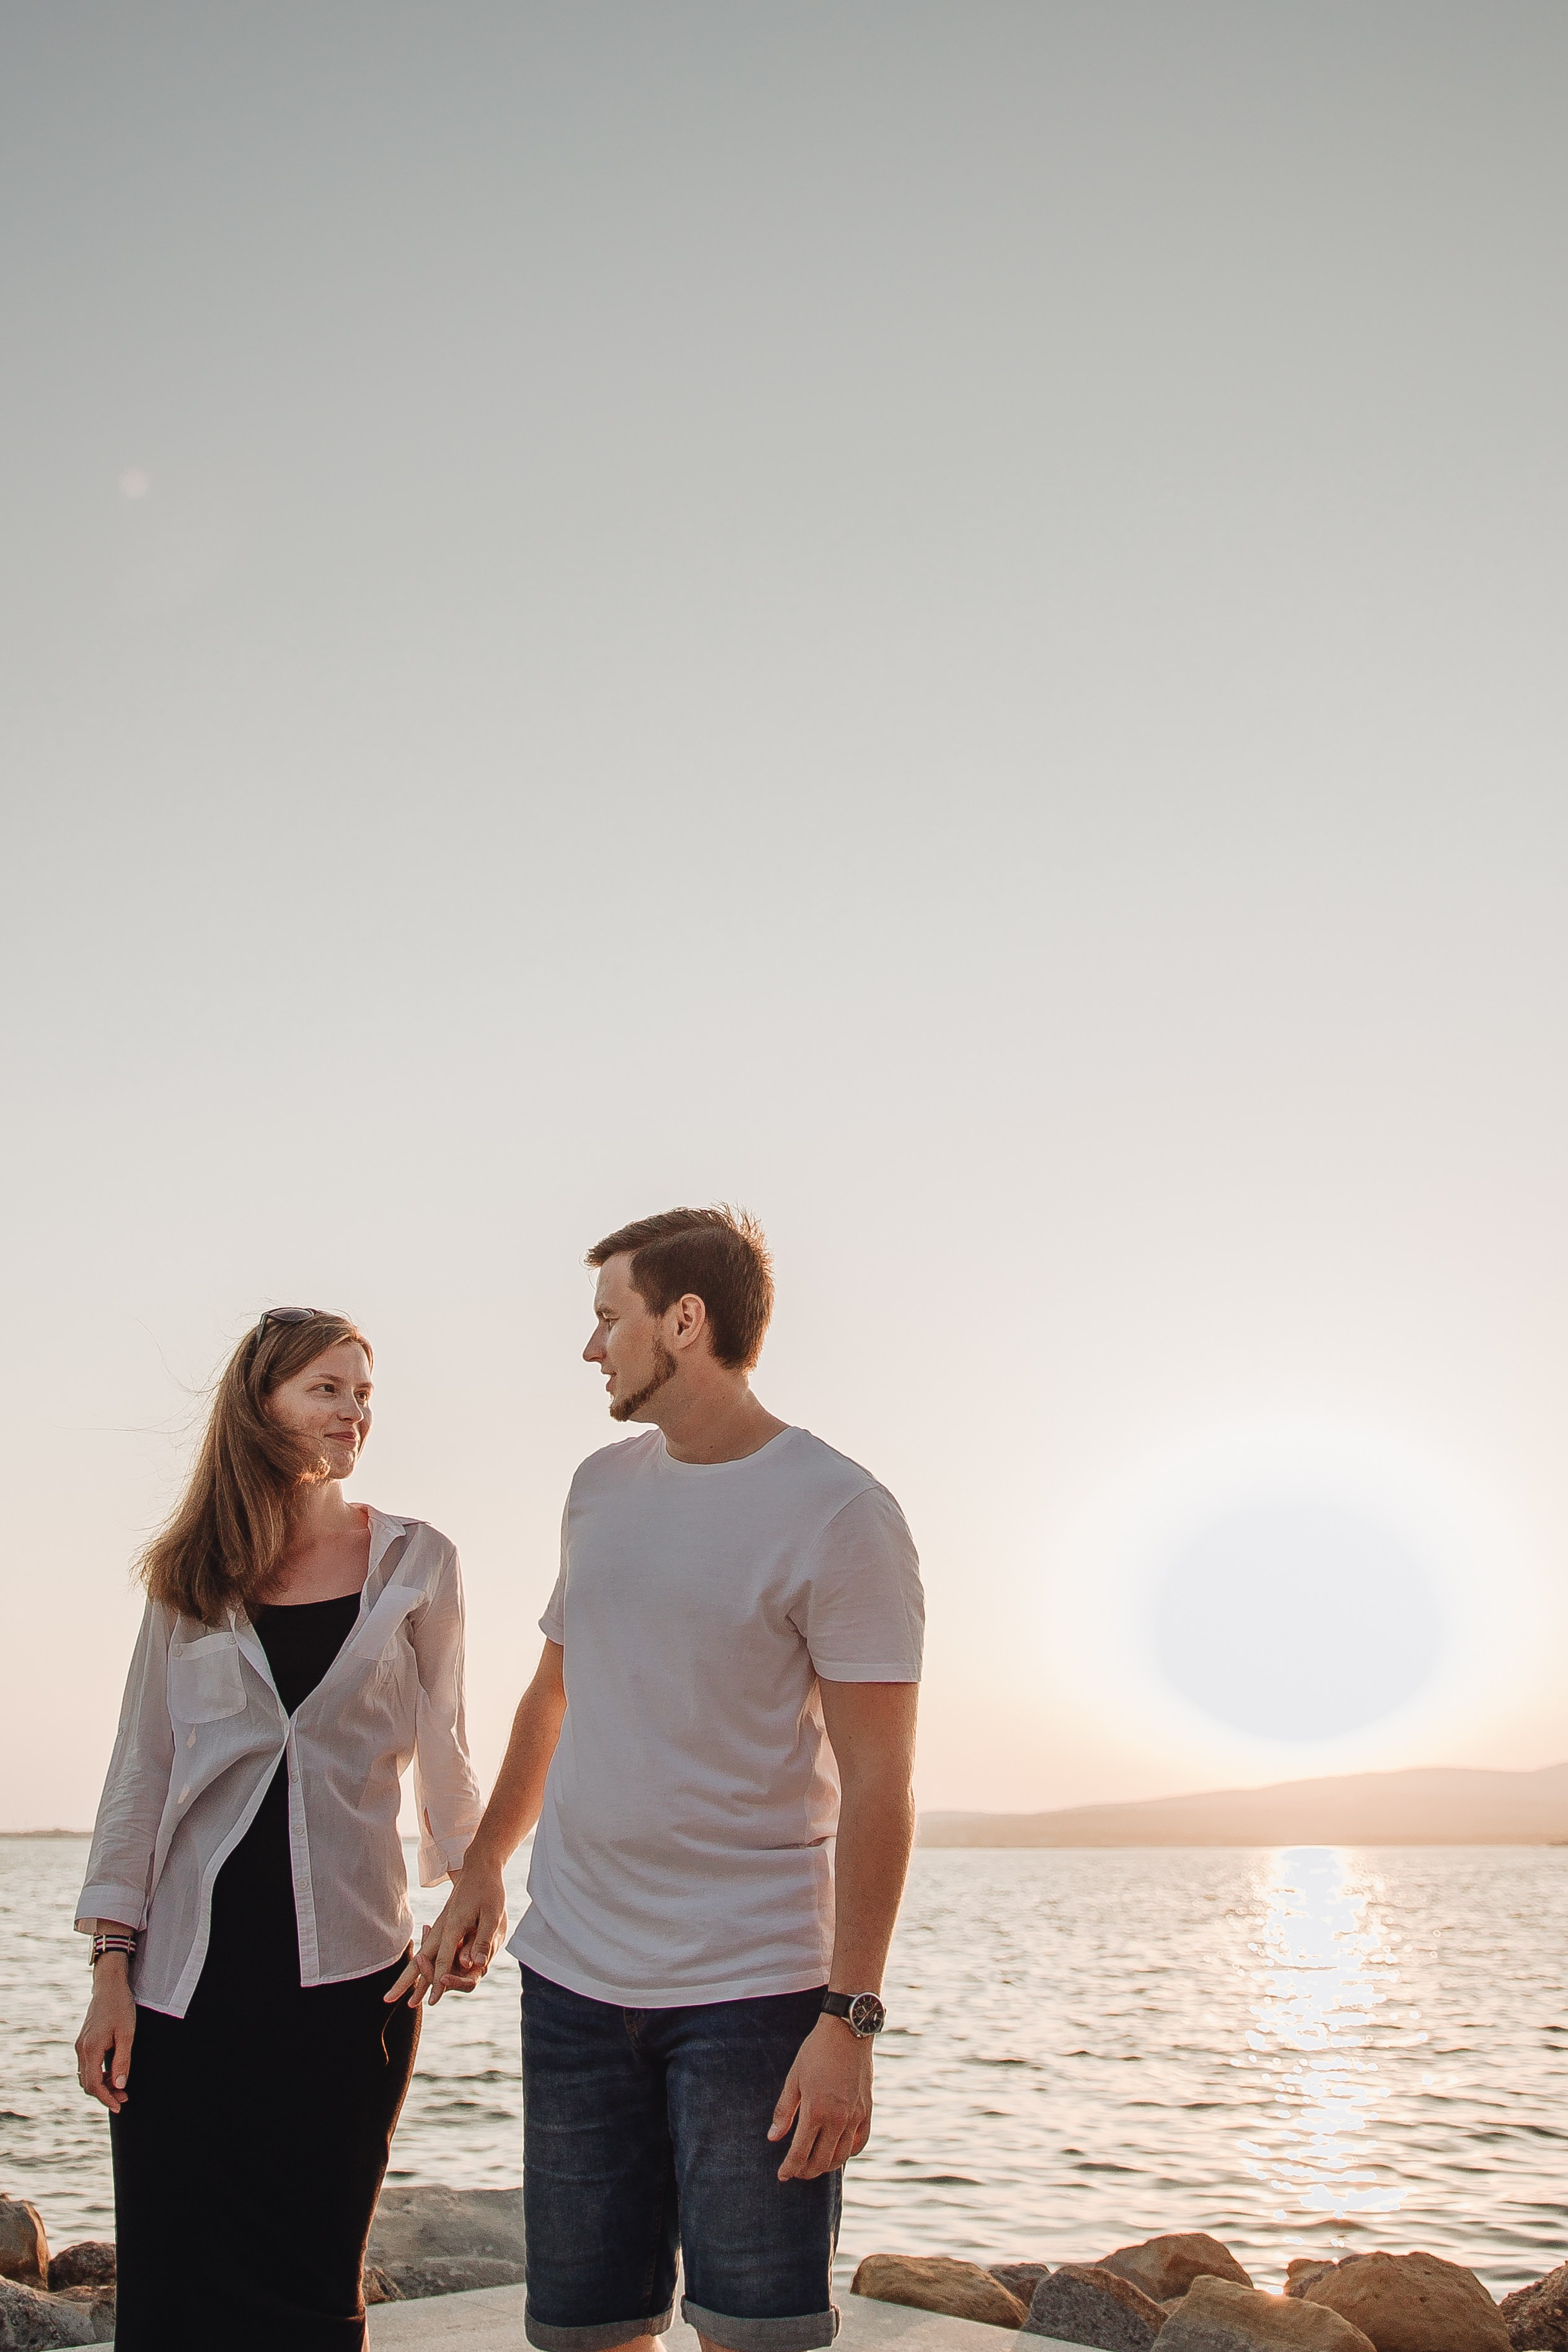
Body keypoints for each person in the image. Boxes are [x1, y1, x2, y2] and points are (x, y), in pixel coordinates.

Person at [394, 1207, 924, 2352]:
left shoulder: (841, 1513)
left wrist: (850, 2019)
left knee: (757, 2333)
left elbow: (882, 1786)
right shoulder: (599, 1487)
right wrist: (483, 1865)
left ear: (683, 1323)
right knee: (585, 2334)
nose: (590, 1351)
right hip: (575, 1978)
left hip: (754, 1992)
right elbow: (553, 1693)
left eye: (607, 1321)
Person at [74, 1308, 482, 2352]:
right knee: (172, 2296)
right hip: (183, 1991)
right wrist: (110, 1973)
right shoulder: (190, 1578)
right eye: (327, 1390)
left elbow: (448, 1747)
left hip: (351, 1983)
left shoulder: (416, 1564)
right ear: (263, 1406)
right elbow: (140, 1773)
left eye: (363, 1394)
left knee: (312, 2291)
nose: (353, 1414)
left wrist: (469, 1901)